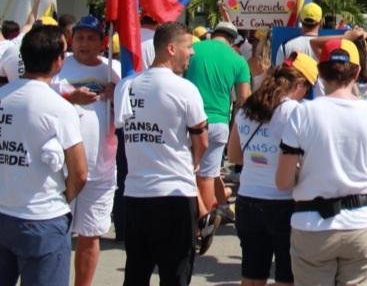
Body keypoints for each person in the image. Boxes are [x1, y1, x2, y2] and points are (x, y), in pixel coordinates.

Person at [275, 38, 367, 286]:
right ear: (358, 72)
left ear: (320, 72)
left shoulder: (303, 113)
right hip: (360, 223)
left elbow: (283, 181)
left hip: (312, 225)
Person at [114, 21, 209, 286]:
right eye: (188, 46)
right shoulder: (185, 89)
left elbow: (123, 133)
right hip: (174, 196)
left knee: (136, 272)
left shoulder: (126, 86)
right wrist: (194, 165)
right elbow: (201, 141)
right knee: (175, 275)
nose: (192, 53)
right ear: (170, 48)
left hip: (136, 196)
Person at [0, 25, 88, 286]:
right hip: (42, 219)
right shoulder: (58, 107)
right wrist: (63, 199)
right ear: (58, 60)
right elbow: (80, 172)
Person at [227, 56, 317, 286]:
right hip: (284, 202)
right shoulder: (295, 112)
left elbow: (234, 156)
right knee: (286, 276)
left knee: (252, 274)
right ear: (299, 84)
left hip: (247, 199)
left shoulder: (247, 108)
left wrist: (259, 158)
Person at [51, 15, 122, 286]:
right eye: (79, 37)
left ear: (103, 42)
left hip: (101, 169)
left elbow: (131, 105)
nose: (84, 43)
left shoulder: (113, 69)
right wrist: (71, 96)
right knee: (57, 234)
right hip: (61, 169)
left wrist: (118, 92)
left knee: (90, 235)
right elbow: (39, 92)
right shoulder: (59, 66)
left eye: (91, 37)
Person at [185, 20, 251, 215]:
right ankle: (202, 222)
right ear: (232, 40)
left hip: (187, 121)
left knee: (186, 173)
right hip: (218, 122)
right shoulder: (238, 60)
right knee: (207, 175)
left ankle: (195, 215)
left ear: (213, 34)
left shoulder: (193, 49)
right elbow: (243, 99)